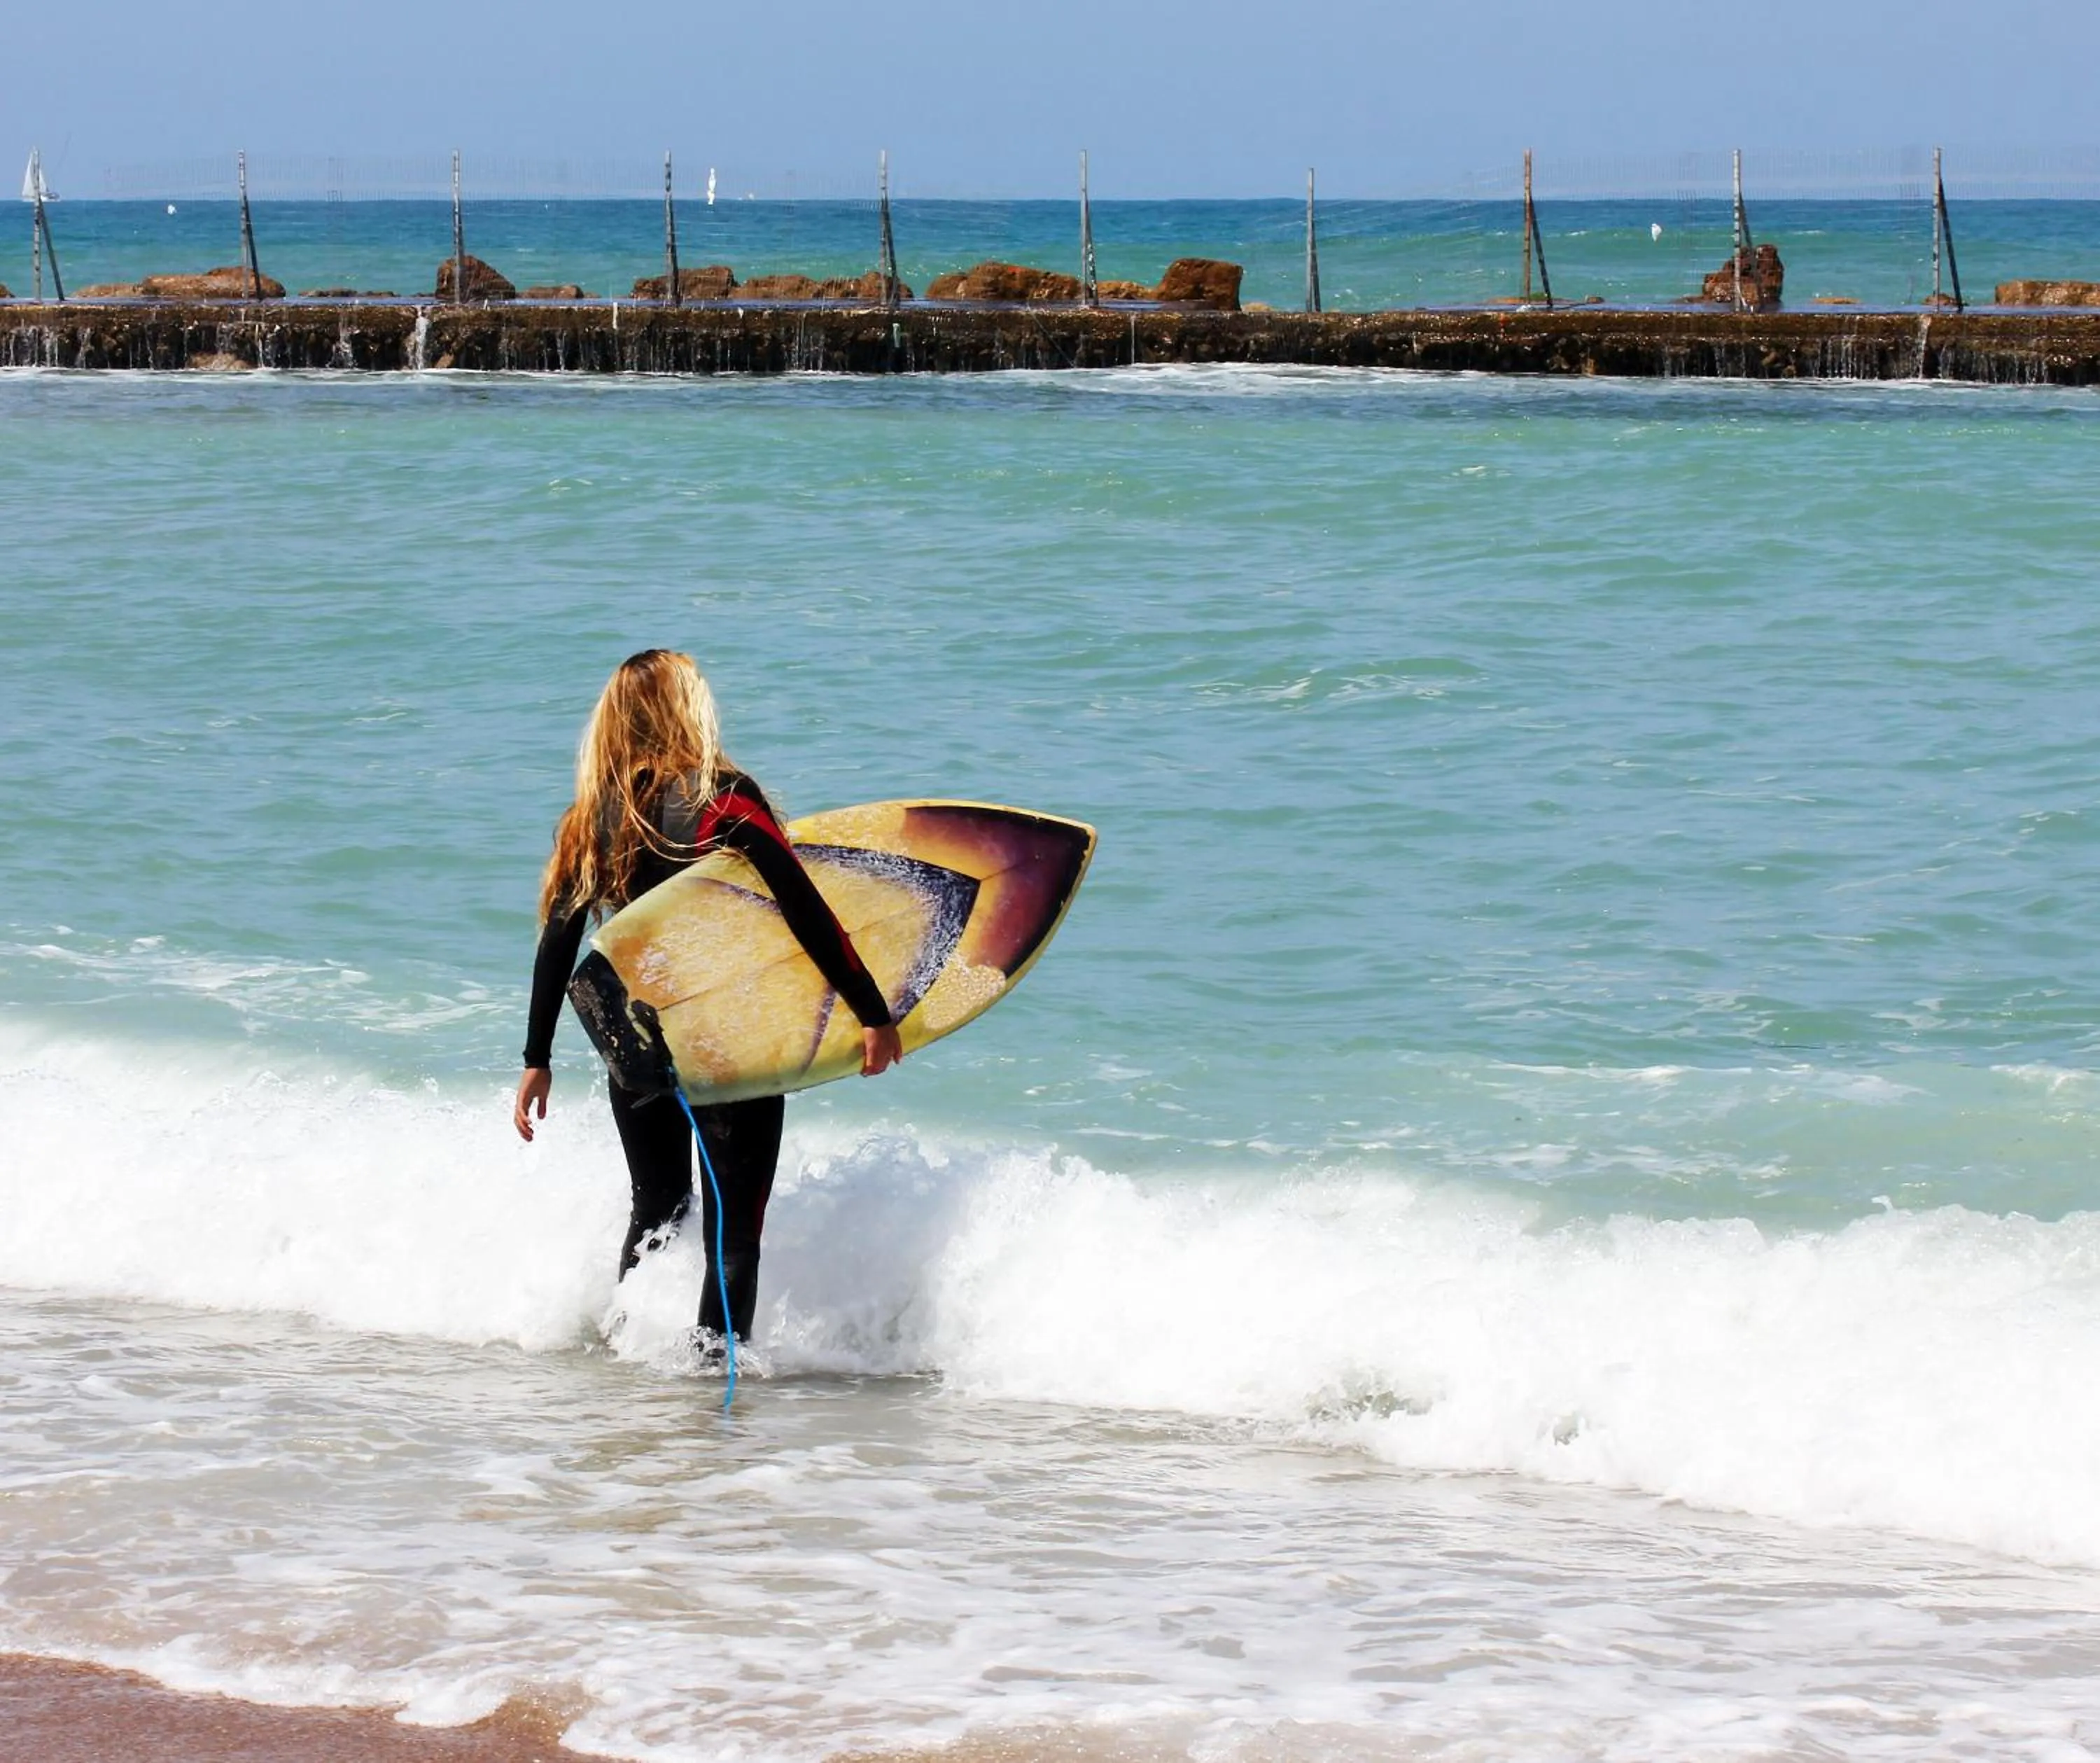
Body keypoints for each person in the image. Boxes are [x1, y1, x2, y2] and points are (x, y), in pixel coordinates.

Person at [512, 649, 904, 1342]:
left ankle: (624, 1353)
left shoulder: (595, 818)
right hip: (727, 1037)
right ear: (688, 709)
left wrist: (536, 1058)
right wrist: (872, 1012)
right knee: (733, 1234)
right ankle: (710, 1380)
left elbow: (559, 942)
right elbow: (805, 909)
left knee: (656, 1210)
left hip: (637, 1041)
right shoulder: (721, 800)